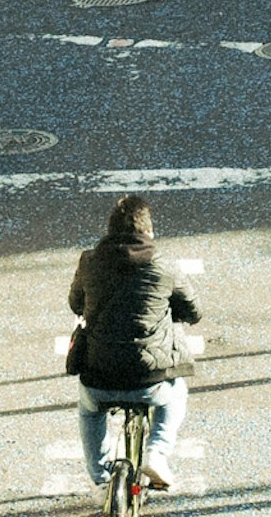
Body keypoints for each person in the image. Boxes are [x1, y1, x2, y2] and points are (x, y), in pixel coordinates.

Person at [69, 194, 197, 493]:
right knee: (176, 393)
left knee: (90, 410)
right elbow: (193, 310)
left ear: (109, 232)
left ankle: (101, 478)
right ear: (148, 232)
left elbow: (76, 303)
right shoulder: (165, 266)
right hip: (148, 380)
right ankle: (156, 454)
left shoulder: (89, 261)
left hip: (98, 375)